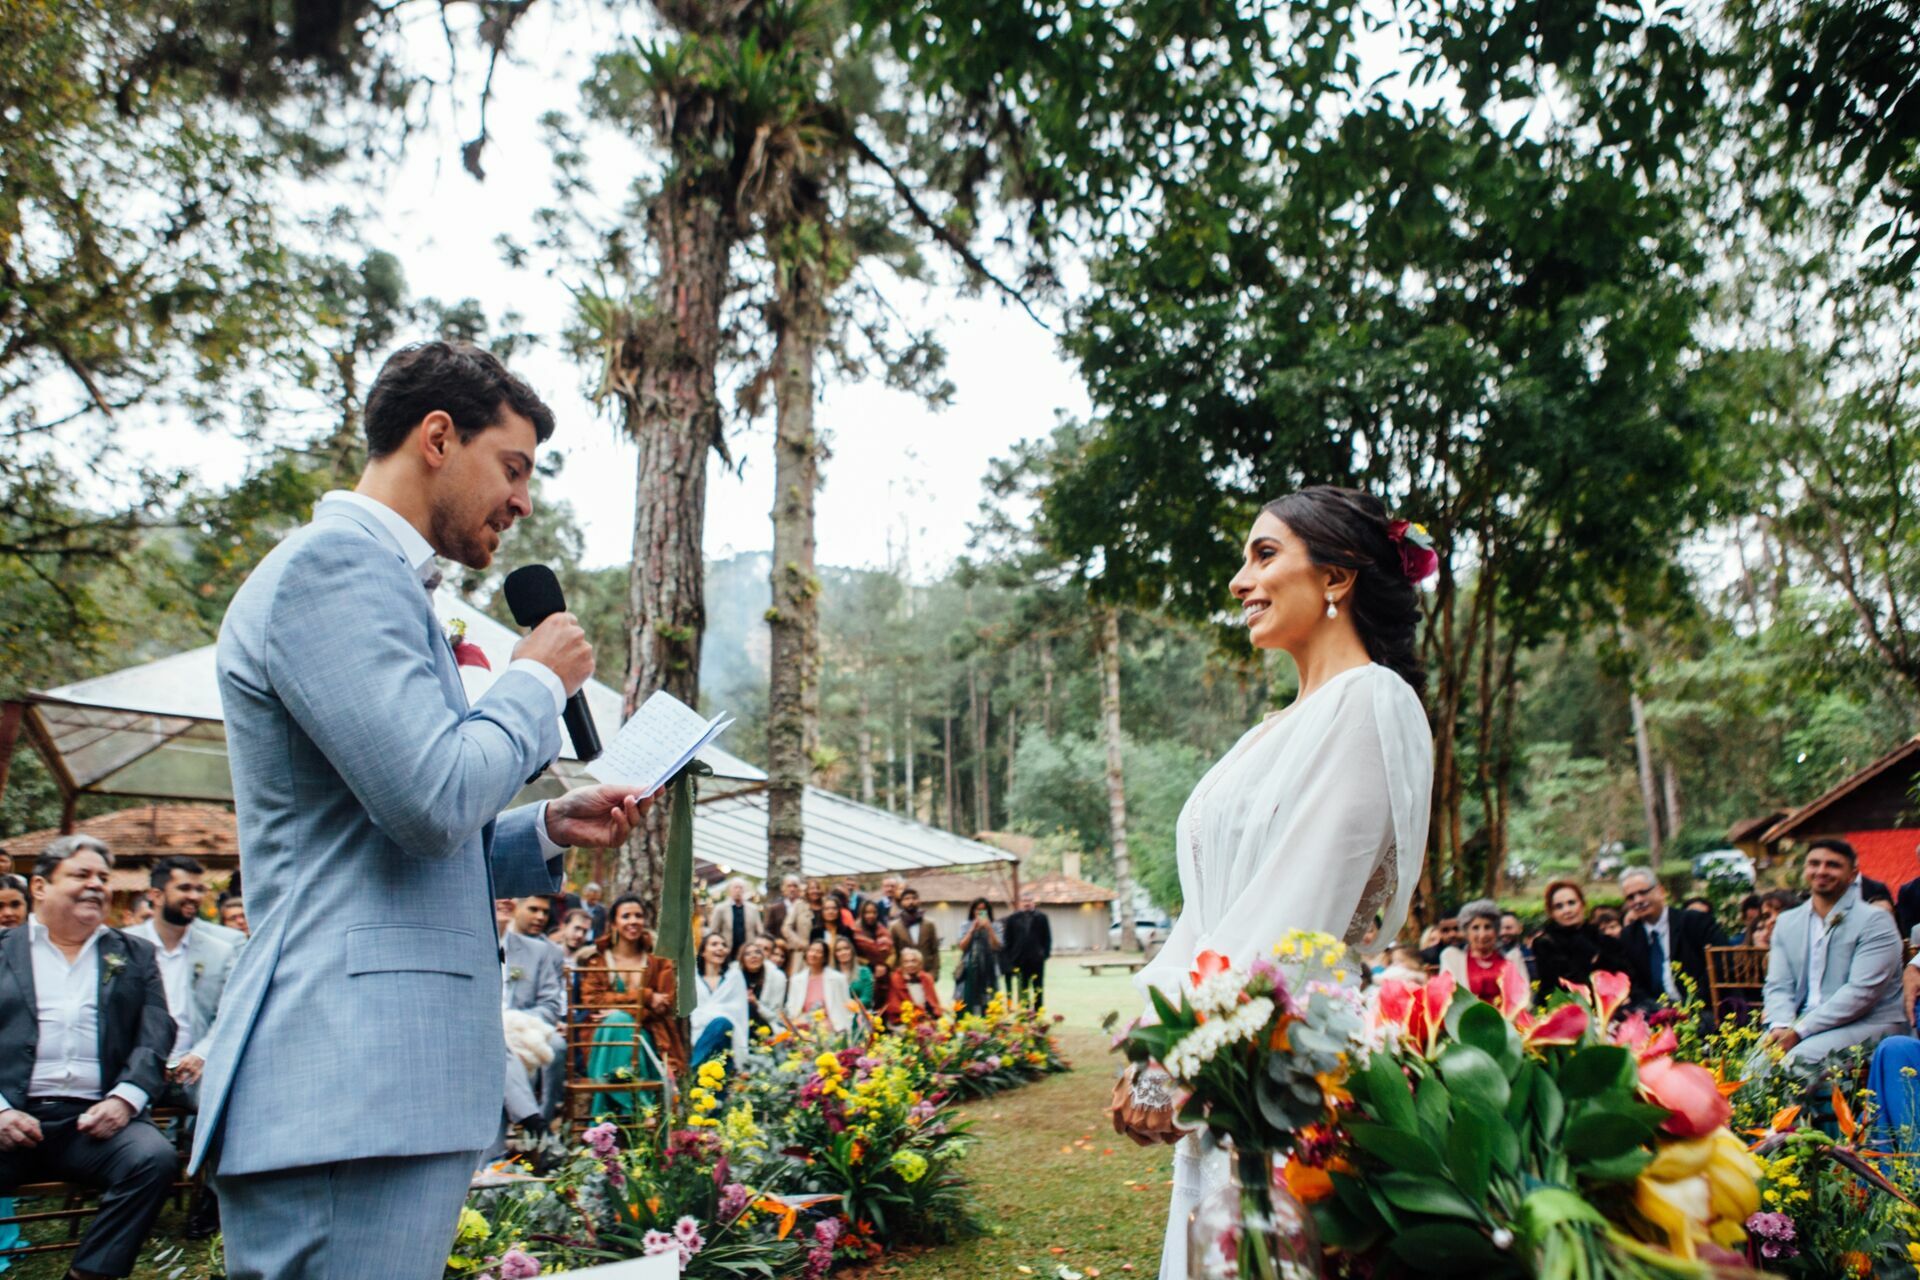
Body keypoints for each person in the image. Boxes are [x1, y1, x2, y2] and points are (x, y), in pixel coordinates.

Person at [196, 340, 648, 1280]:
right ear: (438, 436)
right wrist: (531, 685)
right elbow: (431, 798)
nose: (523, 501)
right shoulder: (335, 567)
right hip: (344, 1082)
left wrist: (542, 828)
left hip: (379, 1086)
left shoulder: (382, 581)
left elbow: (380, 825)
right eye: (513, 467)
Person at [1109, 487, 1434, 1280]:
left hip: (1293, 1079)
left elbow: (1301, 913)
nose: (1237, 581)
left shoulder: (1372, 701)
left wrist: (1179, 1061)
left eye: (1263, 555)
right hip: (1228, 1066)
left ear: (1337, 578)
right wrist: (1151, 1045)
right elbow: (1205, 915)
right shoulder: (1268, 732)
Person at [0, 836, 179, 1280]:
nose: (97, 885)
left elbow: (156, 1031)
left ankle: (89, 1275)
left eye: (103, 877)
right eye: (81, 875)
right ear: (40, 887)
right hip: (11, 1118)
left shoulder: (133, 953)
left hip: (93, 1122)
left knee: (153, 1158)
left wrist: (125, 1100)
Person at [1760, 838, 1906, 1078]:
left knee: (1795, 1064)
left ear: (1853, 875)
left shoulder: (1875, 921)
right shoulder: (1787, 922)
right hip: (1800, 1024)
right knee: (1752, 1068)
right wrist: (1780, 1026)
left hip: (1869, 1024)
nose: (1821, 871)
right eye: (1814, 863)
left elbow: (1862, 993)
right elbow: (1778, 985)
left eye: (1833, 865)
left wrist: (1799, 1031)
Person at [580, 895, 685, 1105]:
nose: (633, 921)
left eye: (638, 916)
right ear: (613, 924)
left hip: (649, 1038)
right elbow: (592, 1002)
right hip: (604, 1040)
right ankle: (637, 1104)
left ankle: (622, 1106)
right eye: (626, 916)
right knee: (617, 1022)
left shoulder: (659, 961)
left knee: (618, 1019)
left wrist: (623, 1011)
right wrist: (644, 996)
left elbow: (665, 1005)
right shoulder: (599, 961)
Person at [501, 897, 567, 1129]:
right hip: (488, 1027)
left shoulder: (543, 951)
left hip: (526, 1025)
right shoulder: (484, 939)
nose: (540, 917)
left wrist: (515, 1023)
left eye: (545, 912)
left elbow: (551, 1005)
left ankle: (543, 1121)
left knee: (557, 1046)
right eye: (533, 909)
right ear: (517, 907)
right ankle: (532, 1124)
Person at [1619, 868, 1724, 1008]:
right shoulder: (1629, 936)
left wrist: (1691, 1007)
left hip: (1703, 1008)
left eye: (1643, 892)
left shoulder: (1695, 922)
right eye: (1631, 897)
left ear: (1660, 891)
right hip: (1655, 1013)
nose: (1638, 900)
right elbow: (1634, 985)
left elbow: (1720, 965)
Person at [1530, 879, 1630, 999]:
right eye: (1559, 906)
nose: (1567, 910)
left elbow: (1624, 974)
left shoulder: (1602, 938)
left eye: (1571, 903)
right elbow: (1554, 985)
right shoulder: (1545, 943)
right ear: (1552, 913)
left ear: (1582, 904)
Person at [1440, 899, 1530, 1011]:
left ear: (1496, 931)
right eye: (1475, 928)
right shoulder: (1453, 959)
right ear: (1466, 932)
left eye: (1487, 927)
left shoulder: (1512, 958)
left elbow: (1524, 999)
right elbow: (1447, 999)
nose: (1482, 935)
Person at [689, 932, 750, 1067]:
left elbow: (738, 1010)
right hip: (698, 1031)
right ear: (703, 952)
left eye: (723, 945)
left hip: (728, 1033)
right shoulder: (692, 978)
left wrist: (715, 1019)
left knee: (722, 1023)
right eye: (714, 944)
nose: (721, 948)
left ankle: (693, 1068)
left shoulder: (734, 976)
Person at [784, 940, 853, 1033]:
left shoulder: (838, 978)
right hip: (803, 1027)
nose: (813, 954)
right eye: (811, 950)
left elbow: (846, 1005)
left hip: (831, 1027)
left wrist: (845, 1027)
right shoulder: (796, 979)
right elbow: (791, 1006)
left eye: (819, 952)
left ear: (824, 957)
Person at [1003, 891, 1052, 1009]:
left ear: (1033, 902)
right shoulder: (1012, 919)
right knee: (1022, 989)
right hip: (1019, 960)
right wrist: (1010, 957)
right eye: (1024, 901)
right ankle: (1024, 1015)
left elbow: (1047, 938)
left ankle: (1038, 1015)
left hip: (1037, 959)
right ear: (1020, 903)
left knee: (1038, 988)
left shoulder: (1042, 918)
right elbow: (1008, 940)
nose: (1027, 903)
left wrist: (1044, 955)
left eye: (1029, 901)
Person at [953, 898, 1002, 1015]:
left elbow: (997, 946)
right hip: (967, 969)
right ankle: (964, 1027)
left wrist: (989, 928)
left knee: (989, 1001)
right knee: (964, 1000)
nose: (980, 912)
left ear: (988, 911)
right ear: (972, 911)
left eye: (983, 910)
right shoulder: (965, 925)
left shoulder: (996, 925)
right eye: (977, 909)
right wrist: (972, 929)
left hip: (989, 969)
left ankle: (988, 1026)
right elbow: (962, 946)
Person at [705, 877, 764, 965]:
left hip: (747, 950)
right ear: (730, 890)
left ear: (744, 890)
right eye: (735, 887)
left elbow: (760, 931)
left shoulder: (753, 909)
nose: (738, 890)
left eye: (740, 888)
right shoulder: (721, 908)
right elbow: (714, 931)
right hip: (727, 951)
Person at [888, 887, 942, 982]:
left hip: (926, 974)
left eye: (914, 898)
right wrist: (897, 974)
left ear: (919, 901)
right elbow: (893, 953)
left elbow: (935, 950)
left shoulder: (929, 924)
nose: (911, 901)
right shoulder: (894, 927)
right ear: (901, 902)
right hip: (904, 976)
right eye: (907, 899)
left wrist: (934, 973)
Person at [738, 939, 788, 1040]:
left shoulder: (776, 978)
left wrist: (756, 1003)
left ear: (763, 957)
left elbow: (776, 1016)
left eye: (757, 952)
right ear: (742, 959)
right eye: (748, 954)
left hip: (765, 1023)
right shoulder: (735, 977)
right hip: (739, 1022)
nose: (754, 956)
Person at [882, 947, 942, 1025]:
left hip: (927, 1018)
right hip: (903, 1021)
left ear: (920, 964)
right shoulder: (895, 979)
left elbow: (934, 1004)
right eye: (906, 962)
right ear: (902, 964)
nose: (910, 965)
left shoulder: (927, 978)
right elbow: (894, 1006)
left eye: (913, 961)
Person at [851, 898, 895, 994]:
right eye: (867, 912)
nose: (871, 915)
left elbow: (893, 953)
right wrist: (872, 966)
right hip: (863, 976)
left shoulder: (884, 930)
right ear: (861, 913)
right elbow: (853, 955)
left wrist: (885, 966)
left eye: (874, 912)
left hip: (884, 975)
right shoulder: (854, 932)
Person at [832, 934, 875, 1007]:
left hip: (860, 1014)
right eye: (838, 950)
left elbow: (867, 998)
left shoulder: (864, 972)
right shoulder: (831, 976)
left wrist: (850, 1006)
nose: (843, 952)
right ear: (835, 955)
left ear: (852, 950)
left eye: (846, 948)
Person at [763, 875, 804, 951]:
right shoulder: (774, 909)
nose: (792, 889)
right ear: (783, 888)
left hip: (800, 950)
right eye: (789, 886)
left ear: (799, 889)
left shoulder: (805, 908)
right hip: (780, 952)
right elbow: (767, 931)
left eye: (795, 886)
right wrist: (776, 941)